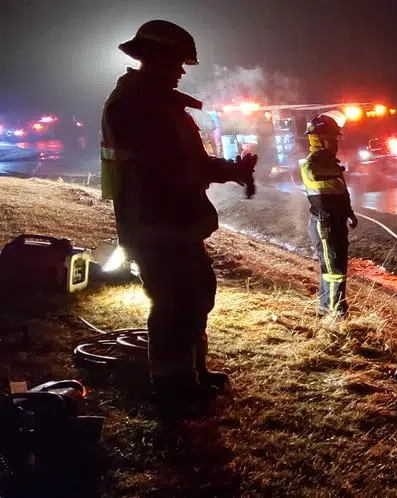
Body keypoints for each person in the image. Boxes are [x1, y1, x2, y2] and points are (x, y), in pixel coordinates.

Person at [100, 20, 258, 412]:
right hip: (155, 224)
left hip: (172, 222)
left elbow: (189, 163)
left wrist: (231, 170)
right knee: (172, 302)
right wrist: (224, 171)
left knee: (196, 294)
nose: (182, 71)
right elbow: (170, 168)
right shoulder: (135, 107)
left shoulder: (153, 102)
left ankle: (192, 372)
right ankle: (172, 388)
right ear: (155, 59)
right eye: (177, 62)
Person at [301, 114, 357, 317]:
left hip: (335, 223)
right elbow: (313, 174)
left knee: (334, 269)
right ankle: (335, 315)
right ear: (321, 139)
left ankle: (327, 308)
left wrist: (349, 212)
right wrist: (335, 168)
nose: (336, 142)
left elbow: (340, 191)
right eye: (333, 138)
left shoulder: (330, 163)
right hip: (325, 225)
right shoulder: (313, 163)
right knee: (334, 272)